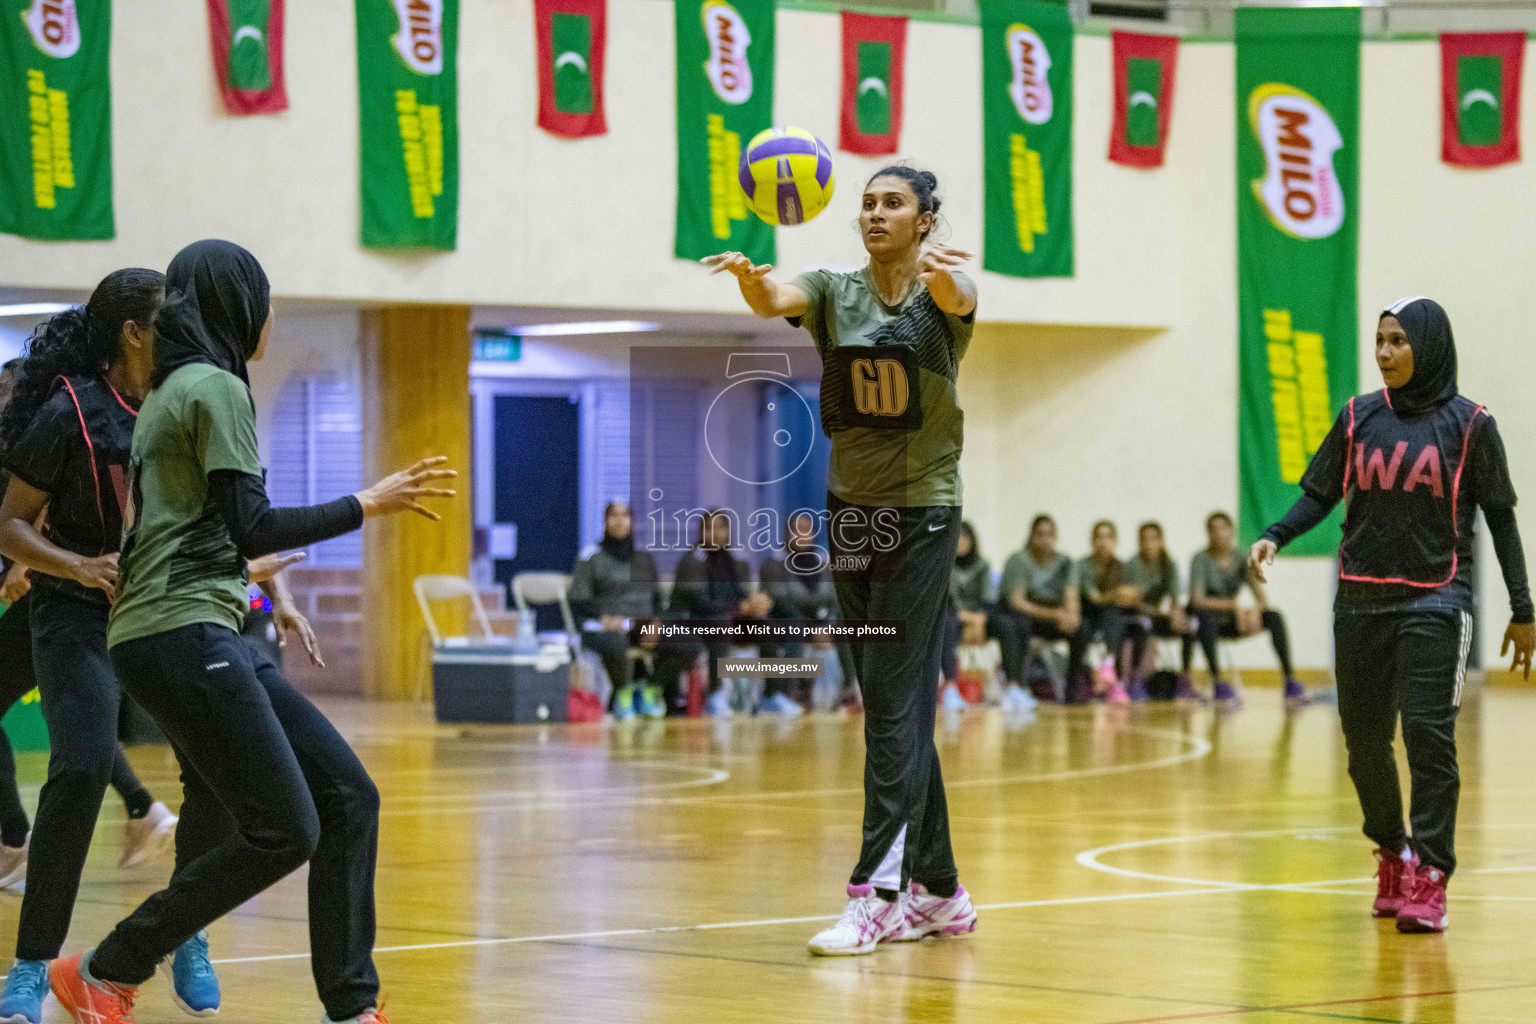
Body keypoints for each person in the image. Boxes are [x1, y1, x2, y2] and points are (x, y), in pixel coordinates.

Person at [46, 240, 455, 1024]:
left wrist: (272, 591)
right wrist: (368, 502)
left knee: (347, 796)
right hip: (180, 627)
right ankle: (107, 967)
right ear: (238, 307)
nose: (268, 318)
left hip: (206, 622)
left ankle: (352, 1006)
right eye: (263, 300)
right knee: (285, 828)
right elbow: (253, 525)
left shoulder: (185, 386)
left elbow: (216, 529)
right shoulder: (213, 389)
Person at [705, 163, 978, 955]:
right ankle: (942, 891)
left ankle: (878, 895)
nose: (874, 213)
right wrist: (752, 283)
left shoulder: (940, 297)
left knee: (894, 705)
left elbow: (963, 303)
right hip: (849, 513)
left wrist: (951, 284)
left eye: (892, 203)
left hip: (921, 511)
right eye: (866, 203)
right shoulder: (832, 289)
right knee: (890, 703)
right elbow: (777, 300)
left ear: (925, 219)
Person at [1251, 296, 1534, 934]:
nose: (1385, 353)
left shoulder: (1471, 425)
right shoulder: (1357, 417)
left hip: (1438, 599)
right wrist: (1276, 534)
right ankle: (1392, 849)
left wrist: (1523, 608)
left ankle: (1431, 874)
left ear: (1429, 345)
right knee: (1364, 743)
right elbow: (1321, 492)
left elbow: (1502, 517)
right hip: (1361, 599)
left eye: (1399, 341)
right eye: (1380, 340)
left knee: (1429, 739)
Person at [0, 271, 211, 1024]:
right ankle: (30, 967)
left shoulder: (186, 401)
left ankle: (186, 933)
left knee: (215, 765)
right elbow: (11, 523)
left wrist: (263, 585)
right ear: (132, 330)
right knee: (83, 763)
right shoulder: (72, 411)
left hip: (164, 608)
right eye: (168, 319)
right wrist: (80, 566)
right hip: (73, 612)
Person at [1189, 511, 1306, 707]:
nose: (1218, 534)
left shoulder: (1241, 558)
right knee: (1205, 618)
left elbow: (1261, 597)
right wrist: (1233, 606)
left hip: (1238, 619)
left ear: (1231, 531)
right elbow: (1197, 600)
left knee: (1274, 617)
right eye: (1213, 530)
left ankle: (1290, 679)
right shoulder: (1201, 559)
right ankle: (1217, 681)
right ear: (1208, 534)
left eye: (1222, 528)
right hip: (1212, 620)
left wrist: (1254, 611)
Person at [662, 511, 767, 718]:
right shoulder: (692, 559)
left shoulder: (735, 560)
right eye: (709, 528)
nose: (716, 533)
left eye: (721, 527)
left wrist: (756, 605)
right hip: (690, 621)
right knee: (719, 623)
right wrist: (740, 607)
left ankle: (772, 695)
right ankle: (716, 694)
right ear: (701, 532)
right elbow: (701, 603)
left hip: (728, 618)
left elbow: (743, 596)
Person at [568, 501, 665, 720]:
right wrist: (602, 617)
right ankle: (624, 695)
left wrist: (657, 622)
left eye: (625, 515)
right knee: (615, 640)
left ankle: (648, 688)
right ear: (605, 521)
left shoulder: (645, 559)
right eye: (614, 515)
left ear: (632, 522)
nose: (620, 520)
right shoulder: (591, 557)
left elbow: (658, 599)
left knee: (684, 639)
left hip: (641, 624)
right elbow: (578, 599)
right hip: (604, 626)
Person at [758, 511, 838, 717]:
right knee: (794, 624)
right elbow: (782, 603)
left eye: (806, 529)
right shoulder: (774, 564)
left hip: (821, 628)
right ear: (787, 534)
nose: (802, 535)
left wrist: (827, 629)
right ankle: (783, 696)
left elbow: (834, 603)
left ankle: (851, 694)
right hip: (786, 626)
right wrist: (814, 629)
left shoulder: (824, 566)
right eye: (797, 530)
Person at [945, 522, 1028, 711]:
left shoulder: (983, 564)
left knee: (1008, 625)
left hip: (981, 617)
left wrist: (979, 619)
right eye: (956, 537)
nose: (960, 542)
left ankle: (1014, 687)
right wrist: (970, 620)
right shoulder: (945, 564)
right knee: (945, 625)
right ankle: (950, 687)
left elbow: (989, 600)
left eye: (964, 537)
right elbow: (947, 601)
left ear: (972, 540)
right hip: (956, 617)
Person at [1000, 515, 1082, 702]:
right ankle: (1018, 685)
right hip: (1027, 617)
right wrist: (1055, 614)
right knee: (1016, 625)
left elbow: (1071, 596)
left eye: (1050, 534)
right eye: (1041, 534)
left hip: (1054, 618)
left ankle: (1073, 686)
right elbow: (1017, 602)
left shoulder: (1066, 562)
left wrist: (1073, 616)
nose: (1045, 539)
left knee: (1080, 628)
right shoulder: (1018, 561)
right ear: (1032, 536)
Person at [1122, 521, 1195, 701]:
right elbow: (1133, 602)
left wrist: (1176, 616)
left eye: (1153, 539)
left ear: (1161, 541)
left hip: (1158, 616)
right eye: (1144, 539)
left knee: (1190, 626)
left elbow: (1175, 600)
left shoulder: (1169, 565)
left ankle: (1185, 678)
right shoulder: (1133, 564)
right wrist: (1160, 613)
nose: (1149, 544)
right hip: (1136, 616)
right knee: (1142, 624)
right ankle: (1137, 679)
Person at [1075, 520, 1137, 704]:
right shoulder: (1082, 566)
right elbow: (1094, 598)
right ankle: (1088, 679)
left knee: (1120, 621)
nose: (1104, 542)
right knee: (1088, 627)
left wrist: (1128, 595)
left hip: (1110, 618)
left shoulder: (1122, 567)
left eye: (1108, 537)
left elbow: (1130, 597)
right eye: (1099, 537)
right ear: (1092, 541)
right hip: (1086, 615)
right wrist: (1117, 593)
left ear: (1115, 541)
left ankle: (1113, 676)